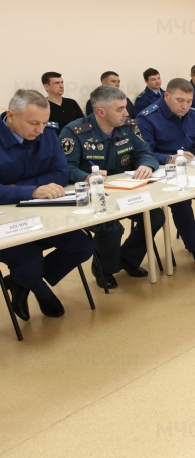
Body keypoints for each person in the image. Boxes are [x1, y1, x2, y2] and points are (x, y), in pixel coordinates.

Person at [0, 90, 94, 320]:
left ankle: (21, 281)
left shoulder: (48, 133)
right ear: (11, 116)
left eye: (44, 123)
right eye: (34, 123)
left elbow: (60, 174)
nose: (40, 130)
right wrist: (31, 190)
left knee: (82, 246)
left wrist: (17, 187)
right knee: (29, 263)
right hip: (5, 223)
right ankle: (40, 290)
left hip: (43, 213)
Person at [60, 86, 164, 289]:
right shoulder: (74, 132)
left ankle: (128, 258)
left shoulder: (128, 126)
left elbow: (145, 152)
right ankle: (104, 269)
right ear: (101, 111)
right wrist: (86, 176)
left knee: (155, 216)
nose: (126, 113)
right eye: (120, 109)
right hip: (91, 197)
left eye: (125, 107)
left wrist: (146, 165)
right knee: (111, 228)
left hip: (122, 191)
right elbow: (64, 167)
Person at [136, 78, 195, 280]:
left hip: (193, 172)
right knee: (182, 202)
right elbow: (144, 153)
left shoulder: (194, 115)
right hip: (165, 177)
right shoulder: (147, 118)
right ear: (166, 96)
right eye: (180, 100)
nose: (185, 106)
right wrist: (169, 158)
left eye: (189, 101)